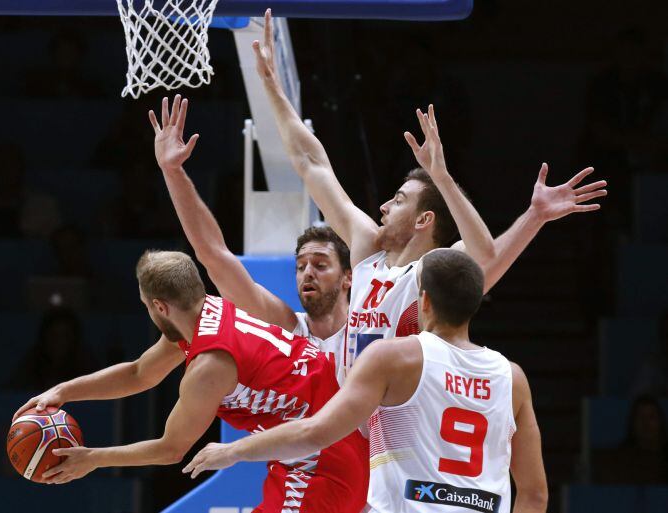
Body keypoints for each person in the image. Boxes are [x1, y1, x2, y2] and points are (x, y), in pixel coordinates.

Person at [253, 10, 607, 372]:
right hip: (349, 412)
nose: (385, 206)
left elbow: (485, 255)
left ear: (424, 219)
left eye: (400, 199)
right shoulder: (367, 249)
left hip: (398, 419)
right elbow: (312, 164)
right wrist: (271, 88)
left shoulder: (434, 271)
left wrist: (443, 177)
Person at [184, 249, 548, 513]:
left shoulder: (395, 357)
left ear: (423, 302)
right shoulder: (512, 377)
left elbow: (315, 433)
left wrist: (231, 451)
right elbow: (534, 496)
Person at [13, 250, 369, 513]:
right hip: (316, 447)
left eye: (146, 306)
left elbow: (172, 449)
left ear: (160, 307)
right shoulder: (207, 311)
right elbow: (140, 372)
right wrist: (64, 390)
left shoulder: (209, 365)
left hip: (322, 464)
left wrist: (92, 459)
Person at [150, 95, 352, 383]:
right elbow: (214, 254)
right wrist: (173, 172)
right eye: (301, 265)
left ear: (348, 278)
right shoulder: (287, 328)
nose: (307, 272)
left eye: (320, 265)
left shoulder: (368, 331)